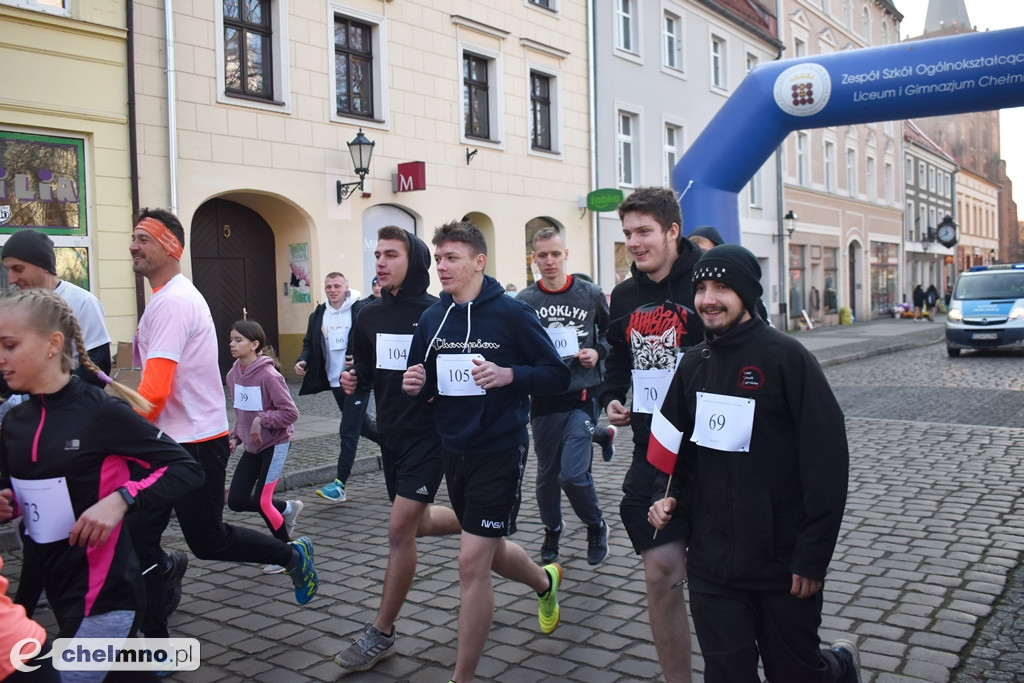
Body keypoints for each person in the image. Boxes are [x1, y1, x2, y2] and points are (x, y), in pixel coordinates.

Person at [648, 244, 858, 683]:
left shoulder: (787, 358)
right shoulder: (692, 365)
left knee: (796, 673)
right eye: (701, 287)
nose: (708, 298)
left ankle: (838, 669)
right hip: (712, 565)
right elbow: (673, 454)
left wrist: (812, 556)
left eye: (722, 287)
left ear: (745, 292)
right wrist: (664, 500)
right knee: (726, 674)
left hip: (782, 566)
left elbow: (827, 464)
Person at [127, 208, 318, 642]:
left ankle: (291, 555)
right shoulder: (161, 300)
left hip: (190, 444)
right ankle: (156, 638)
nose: (133, 246)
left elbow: (153, 392)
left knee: (207, 540)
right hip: (166, 441)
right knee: (138, 540)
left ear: (171, 246)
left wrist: (113, 434)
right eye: (133, 238)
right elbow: (141, 378)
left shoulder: (174, 302)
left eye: (144, 238)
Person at [0, 288, 203, 680]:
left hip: (106, 595)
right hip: (53, 588)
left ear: (52, 345)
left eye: (10, 345)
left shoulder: (101, 413)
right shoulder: (14, 421)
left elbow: (185, 468)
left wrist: (122, 499)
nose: (1, 358)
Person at [402, 220, 571, 683]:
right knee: (490, 547)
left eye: (452, 258)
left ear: (479, 261)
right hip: (450, 448)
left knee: (470, 560)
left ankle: (462, 678)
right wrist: (413, 384)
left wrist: (510, 375)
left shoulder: (512, 315)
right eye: (438, 259)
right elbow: (424, 381)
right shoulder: (434, 319)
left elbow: (557, 375)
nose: (442, 267)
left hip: (499, 447)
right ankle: (544, 580)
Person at [333, 227, 461, 673]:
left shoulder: (439, 312)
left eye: (392, 255)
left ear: (416, 261)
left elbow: (458, 376)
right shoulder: (366, 314)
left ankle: (381, 632)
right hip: (391, 435)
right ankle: (480, 522)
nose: (381, 262)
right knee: (418, 522)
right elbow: (365, 371)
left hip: (430, 436)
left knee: (397, 531)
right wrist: (354, 382)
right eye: (378, 254)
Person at [597, 186, 704, 683]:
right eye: (627, 234)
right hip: (655, 449)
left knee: (720, 581)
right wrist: (614, 396)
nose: (634, 243)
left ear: (672, 231)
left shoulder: (707, 281)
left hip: (713, 450)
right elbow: (620, 352)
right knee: (661, 573)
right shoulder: (624, 294)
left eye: (643, 232)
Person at [516, 227, 611, 566]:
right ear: (534, 260)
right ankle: (552, 528)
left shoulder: (590, 294)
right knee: (546, 475)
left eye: (555, 254)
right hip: (544, 400)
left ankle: (596, 524)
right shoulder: (525, 301)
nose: (549, 261)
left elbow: (612, 334)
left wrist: (598, 351)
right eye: (542, 255)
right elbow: (517, 347)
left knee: (571, 474)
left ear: (566, 254)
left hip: (582, 396)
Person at [295, 272, 380, 503]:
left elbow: (375, 340)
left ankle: (340, 484)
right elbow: (309, 344)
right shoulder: (319, 314)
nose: (332, 290)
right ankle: (400, 451)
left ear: (346, 287)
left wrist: (362, 360)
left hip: (357, 379)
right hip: (334, 381)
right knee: (364, 427)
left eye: (336, 286)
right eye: (328, 286)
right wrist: (302, 360)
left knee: (348, 430)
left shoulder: (360, 309)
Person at [225, 319, 303, 571]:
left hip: (276, 444)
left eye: (238, 340)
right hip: (252, 446)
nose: (232, 344)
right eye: (231, 340)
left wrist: (263, 419)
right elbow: (241, 411)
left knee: (262, 501)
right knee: (236, 500)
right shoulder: (232, 374)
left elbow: (291, 413)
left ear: (255, 344)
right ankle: (289, 508)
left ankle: (286, 552)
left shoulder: (270, 375)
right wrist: (236, 435)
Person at [2, 228, 112, 385]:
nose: (11, 279)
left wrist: (48, 390)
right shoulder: (17, 306)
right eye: (8, 270)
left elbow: (98, 369)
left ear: (44, 265)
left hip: (70, 406)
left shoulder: (83, 302)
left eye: (18, 269)